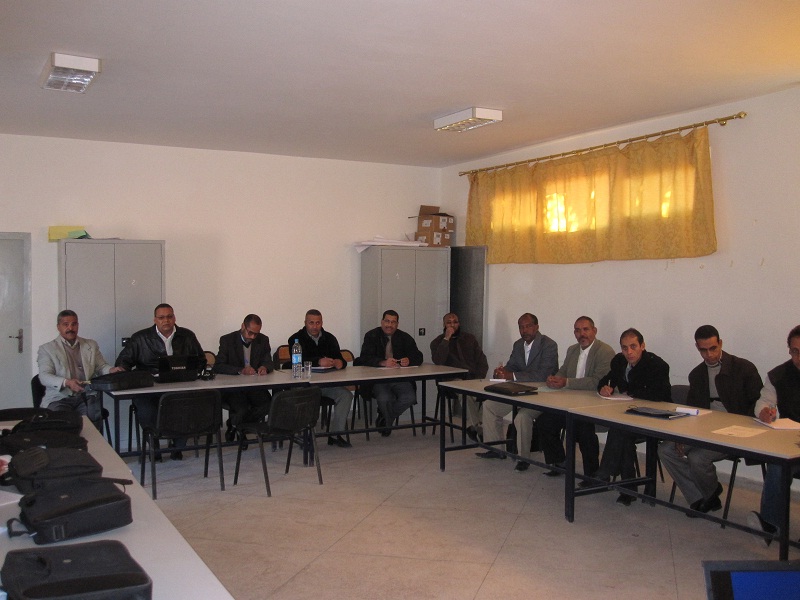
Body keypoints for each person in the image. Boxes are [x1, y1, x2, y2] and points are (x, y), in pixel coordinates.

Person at [659, 325, 762, 515]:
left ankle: (709, 493)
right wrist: (681, 436)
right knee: (666, 450)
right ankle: (702, 495)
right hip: (704, 429)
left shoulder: (744, 368)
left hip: (734, 431)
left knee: (697, 458)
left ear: (720, 343)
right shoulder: (697, 374)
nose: (709, 354)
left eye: (713, 348)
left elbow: (757, 404)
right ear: (697, 348)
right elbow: (692, 411)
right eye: (703, 350)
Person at [592, 328, 671, 505]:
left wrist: (630, 392)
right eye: (624, 347)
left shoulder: (657, 365)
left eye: (633, 346)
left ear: (642, 346)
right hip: (630, 416)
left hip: (655, 418)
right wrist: (604, 388)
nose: (629, 352)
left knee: (619, 430)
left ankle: (606, 472)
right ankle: (628, 489)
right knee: (622, 434)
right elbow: (606, 380)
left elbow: (659, 395)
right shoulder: (619, 361)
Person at [115, 303, 203, 459]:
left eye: (169, 317)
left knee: (189, 406)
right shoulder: (140, 338)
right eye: (161, 317)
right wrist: (124, 372)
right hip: (149, 388)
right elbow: (123, 362)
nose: (166, 321)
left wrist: (192, 373)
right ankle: (154, 446)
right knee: (147, 410)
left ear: (174, 318)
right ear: (155, 320)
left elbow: (200, 360)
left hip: (180, 386)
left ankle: (177, 447)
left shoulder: (187, 336)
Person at [477, 313, 558, 471]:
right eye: (521, 327)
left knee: (521, 417)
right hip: (518, 391)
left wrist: (512, 375)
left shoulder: (549, 345)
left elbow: (543, 375)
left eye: (528, 326)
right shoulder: (518, 345)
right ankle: (496, 449)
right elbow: (511, 367)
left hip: (540, 394)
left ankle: (523, 458)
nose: (524, 330)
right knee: (489, 406)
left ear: (536, 327)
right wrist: (501, 372)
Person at [536, 316, 616, 477]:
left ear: (594, 331)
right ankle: (560, 462)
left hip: (594, 406)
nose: (582, 334)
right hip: (570, 404)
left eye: (586, 329)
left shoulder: (605, 351)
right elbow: (563, 371)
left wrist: (566, 382)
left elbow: (597, 382)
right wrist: (554, 379)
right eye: (578, 330)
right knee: (544, 422)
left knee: (583, 429)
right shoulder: (572, 349)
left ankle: (592, 475)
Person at [748, 325, 800, 546]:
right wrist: (764, 412)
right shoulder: (778, 375)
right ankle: (769, 525)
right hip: (790, 445)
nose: (799, 357)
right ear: (789, 350)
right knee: (778, 464)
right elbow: (763, 402)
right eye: (795, 351)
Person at [37, 309, 122, 430]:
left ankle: (92, 443)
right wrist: (67, 382)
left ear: (78, 325)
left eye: (74, 324)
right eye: (66, 324)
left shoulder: (91, 345)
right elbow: (44, 376)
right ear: (58, 327)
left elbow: (101, 366)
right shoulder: (47, 349)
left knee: (91, 427)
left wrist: (112, 370)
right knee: (61, 426)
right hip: (60, 397)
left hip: (86, 395)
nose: (70, 328)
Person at [288, 309, 353, 448]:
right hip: (305, 384)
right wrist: (318, 361)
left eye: (318, 323)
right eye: (311, 323)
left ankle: (335, 434)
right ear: (305, 323)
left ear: (322, 323)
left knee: (346, 395)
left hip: (326, 384)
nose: (315, 326)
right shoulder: (295, 339)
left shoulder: (330, 338)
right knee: (307, 397)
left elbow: (340, 358)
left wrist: (340, 363)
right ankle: (305, 436)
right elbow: (296, 362)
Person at [354, 310, 423, 436]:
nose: (389, 325)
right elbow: (364, 358)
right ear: (382, 322)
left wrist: (409, 360)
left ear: (397, 324)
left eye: (393, 322)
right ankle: (387, 421)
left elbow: (419, 357)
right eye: (387, 321)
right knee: (384, 398)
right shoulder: (371, 335)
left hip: (399, 378)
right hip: (378, 379)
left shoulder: (405, 337)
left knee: (410, 398)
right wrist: (382, 362)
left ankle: (385, 418)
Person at [430, 312, 489, 441]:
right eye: (449, 322)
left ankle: (476, 426)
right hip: (451, 381)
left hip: (472, 378)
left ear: (459, 323)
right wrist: (446, 339)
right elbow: (438, 360)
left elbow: (482, 361)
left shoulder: (470, 339)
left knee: (490, 394)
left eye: (455, 322)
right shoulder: (437, 342)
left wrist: (478, 378)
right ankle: (477, 426)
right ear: (444, 325)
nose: (452, 325)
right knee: (466, 394)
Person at [214, 314, 273, 440]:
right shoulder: (227, 340)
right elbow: (218, 366)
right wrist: (240, 370)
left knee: (268, 404)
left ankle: (235, 425)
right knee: (241, 408)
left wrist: (264, 367)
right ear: (243, 326)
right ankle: (240, 428)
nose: (252, 337)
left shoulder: (263, 340)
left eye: (256, 334)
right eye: (250, 333)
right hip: (233, 388)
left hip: (254, 386)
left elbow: (268, 361)